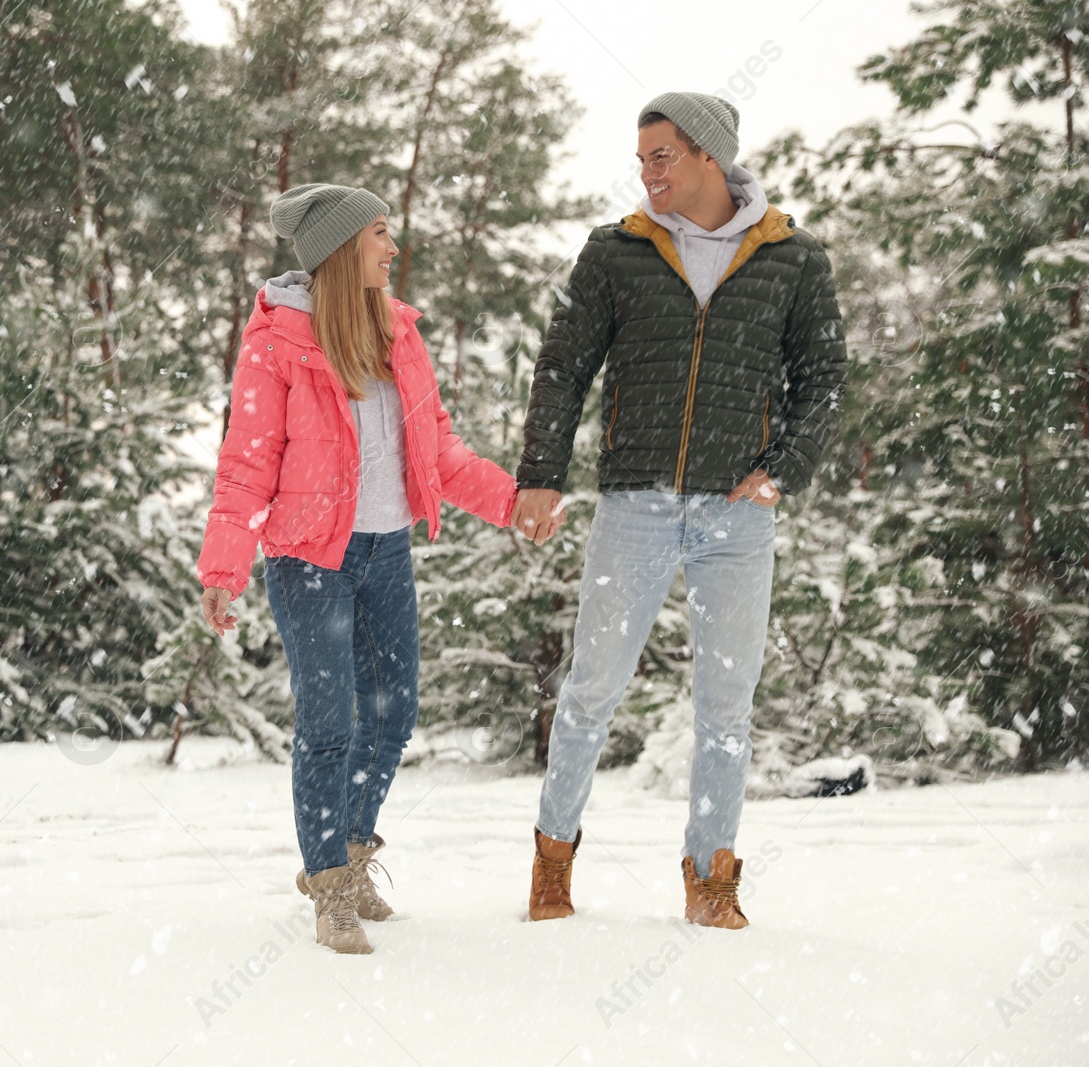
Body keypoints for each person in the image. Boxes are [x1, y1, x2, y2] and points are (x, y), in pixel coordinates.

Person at [511, 93, 848, 929]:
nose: (647, 172)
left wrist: (782, 470)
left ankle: (713, 879)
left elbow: (825, 379)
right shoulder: (616, 253)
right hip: (636, 503)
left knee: (726, 706)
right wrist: (540, 473)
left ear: (710, 158)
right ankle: (552, 861)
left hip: (739, 515)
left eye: (662, 156)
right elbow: (563, 366)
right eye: (641, 158)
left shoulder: (793, 259)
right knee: (591, 689)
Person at [197, 182, 520, 953]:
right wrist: (224, 566)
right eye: (379, 233)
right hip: (311, 558)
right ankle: (326, 881)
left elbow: (438, 452)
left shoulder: (398, 334)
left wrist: (515, 503)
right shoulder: (276, 346)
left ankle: (349, 848)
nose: (392, 247)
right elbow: (247, 465)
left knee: (392, 715)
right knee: (329, 725)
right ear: (343, 247)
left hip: (387, 551)